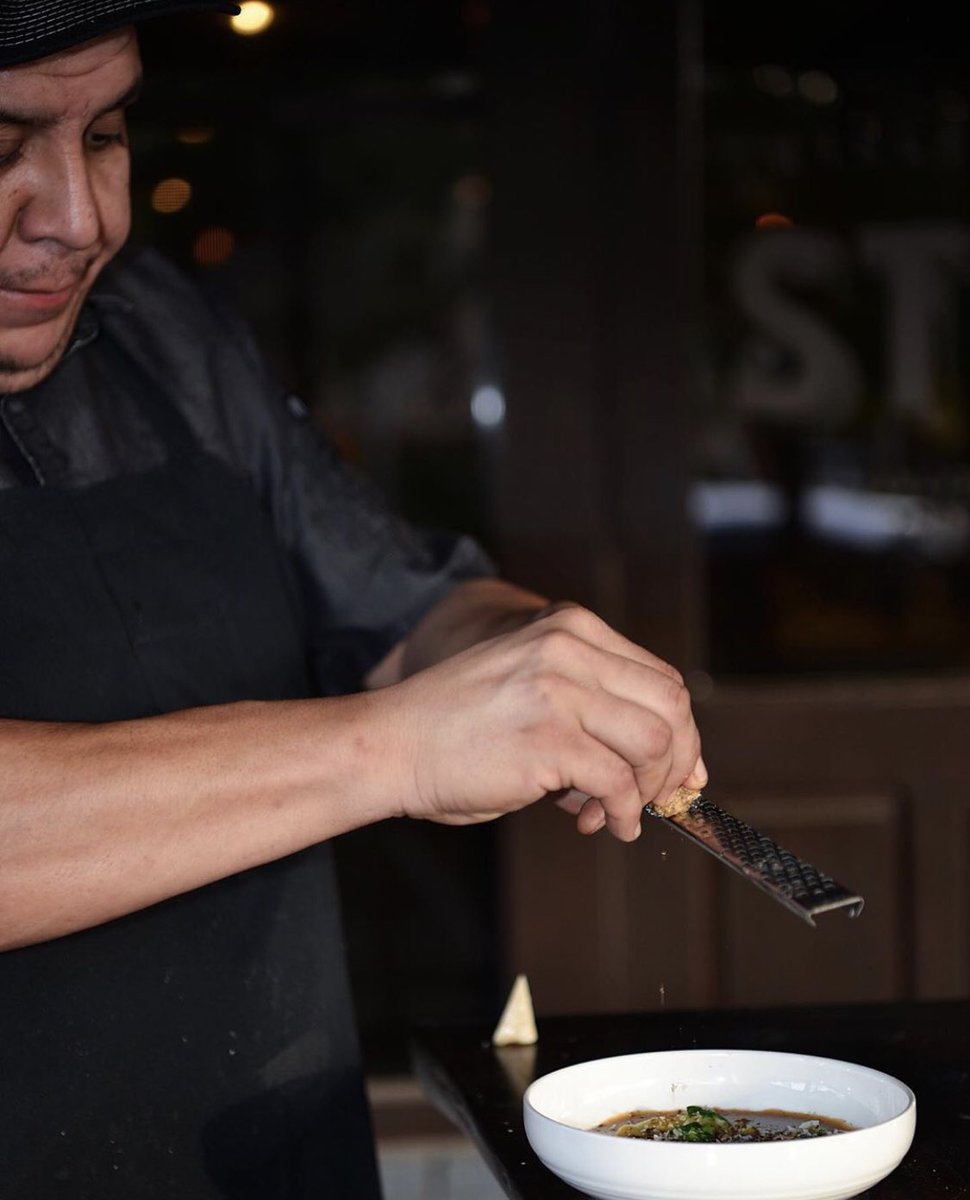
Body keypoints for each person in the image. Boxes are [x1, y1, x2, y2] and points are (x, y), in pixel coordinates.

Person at [0, 2, 706, 1196]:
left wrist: (535, 659)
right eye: (3, 143)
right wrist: (394, 749)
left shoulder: (162, 334)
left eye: (108, 135)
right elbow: (398, 727)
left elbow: (400, 608)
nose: (82, 220)